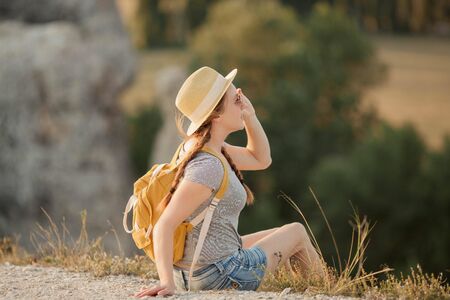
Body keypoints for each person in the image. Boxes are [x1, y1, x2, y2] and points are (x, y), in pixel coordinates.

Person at [134, 66, 326, 298]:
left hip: (201, 269)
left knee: (281, 234)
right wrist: (166, 283)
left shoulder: (205, 149)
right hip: (219, 274)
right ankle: (328, 293)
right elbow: (165, 224)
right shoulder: (208, 166)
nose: (242, 101)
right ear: (216, 115)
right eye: (236, 99)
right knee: (296, 232)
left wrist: (250, 117)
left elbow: (260, 158)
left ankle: (312, 292)